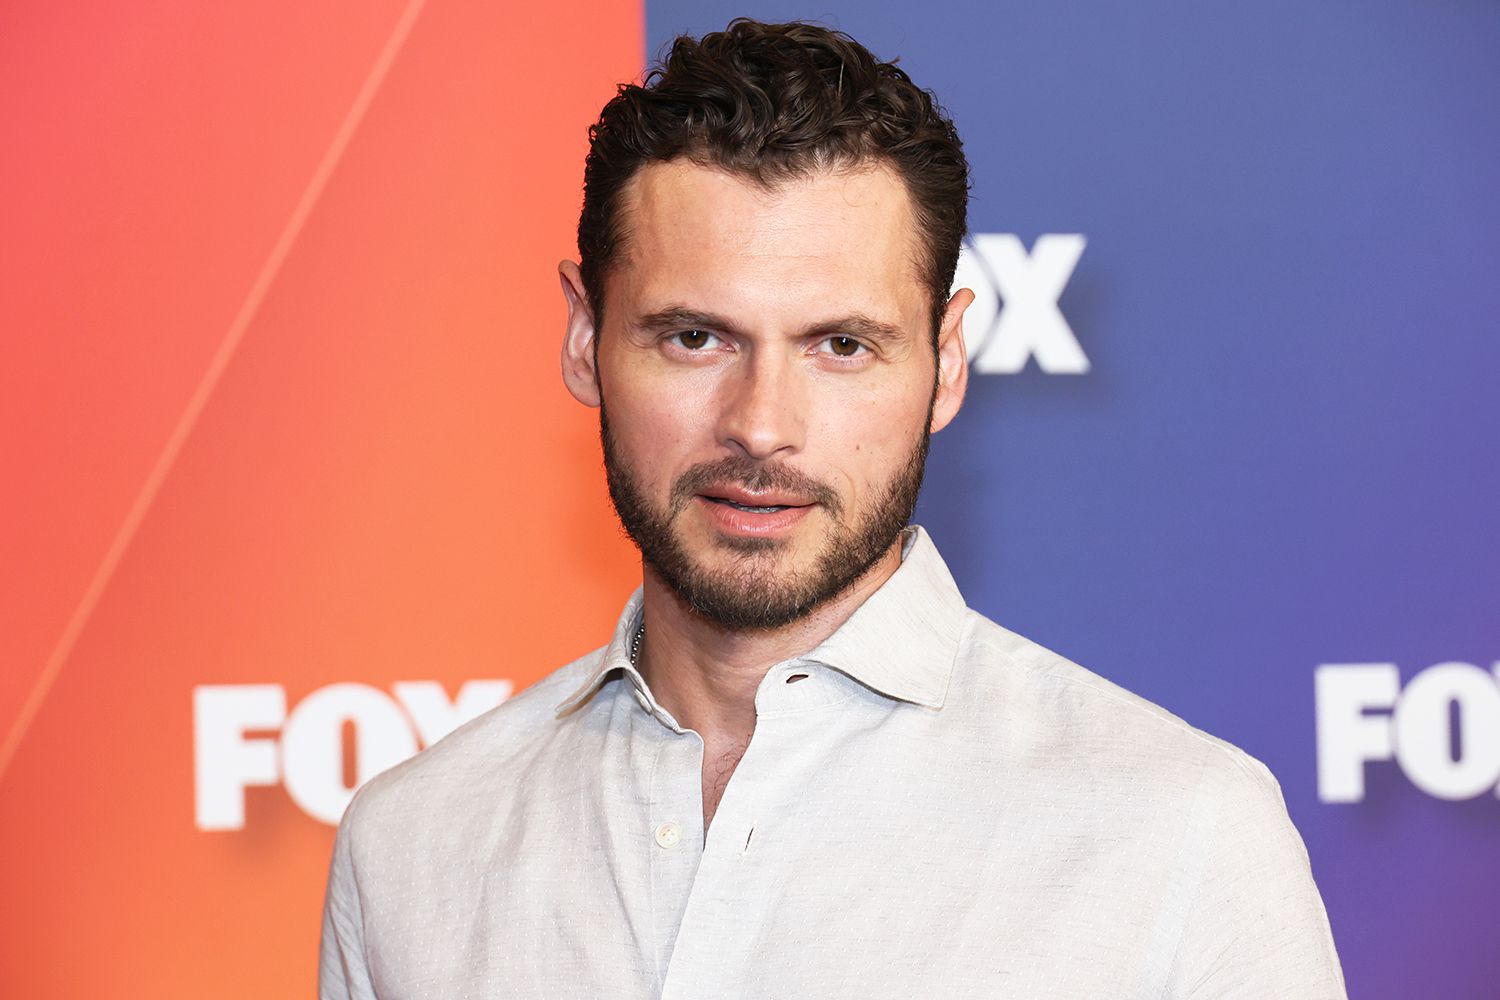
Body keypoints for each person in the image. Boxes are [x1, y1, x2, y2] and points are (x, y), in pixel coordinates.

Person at [319, 19, 1346, 999]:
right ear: (587, 339)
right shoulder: (413, 847)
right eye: (694, 338)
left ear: (946, 362)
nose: (762, 427)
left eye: (840, 345)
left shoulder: (1183, 837)